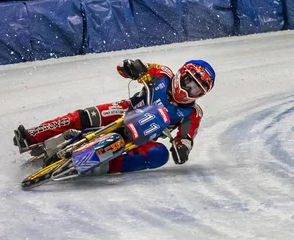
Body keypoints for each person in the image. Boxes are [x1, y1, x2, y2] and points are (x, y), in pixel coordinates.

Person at [13, 59, 215, 173]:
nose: (188, 90)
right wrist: (133, 69)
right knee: (83, 116)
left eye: (196, 90)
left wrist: (181, 148)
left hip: (142, 138)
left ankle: (102, 167)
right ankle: (31, 136)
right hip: (126, 110)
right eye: (189, 82)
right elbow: (127, 67)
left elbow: (186, 138)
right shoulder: (163, 73)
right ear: (182, 74)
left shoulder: (192, 112)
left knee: (159, 155)